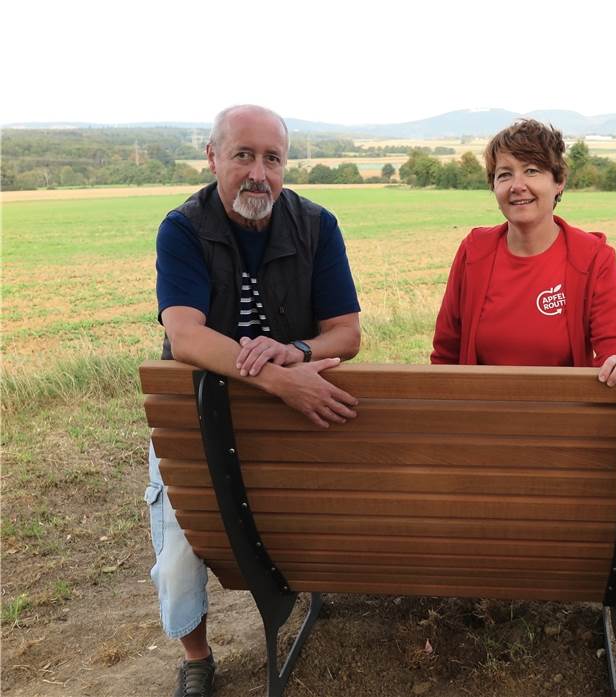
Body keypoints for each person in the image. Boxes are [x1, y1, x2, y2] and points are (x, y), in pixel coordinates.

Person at [148, 104, 361, 697]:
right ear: (213, 158)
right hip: (200, 410)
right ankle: (196, 657)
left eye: (273, 158)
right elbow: (185, 335)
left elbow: (346, 332)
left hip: (286, 415)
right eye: (243, 155)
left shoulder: (316, 224)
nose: (259, 173)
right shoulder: (183, 228)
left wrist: (294, 350)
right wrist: (273, 377)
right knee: (178, 544)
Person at [431, 119, 616, 382]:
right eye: (504, 174)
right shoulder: (474, 252)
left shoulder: (592, 257)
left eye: (532, 170)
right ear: (494, 187)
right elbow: (445, 353)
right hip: (483, 418)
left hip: (563, 419)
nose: (517, 185)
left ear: (559, 182)